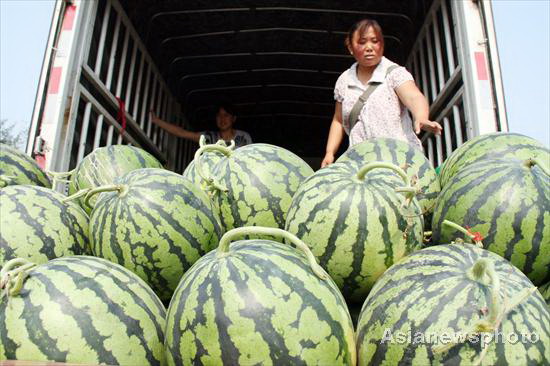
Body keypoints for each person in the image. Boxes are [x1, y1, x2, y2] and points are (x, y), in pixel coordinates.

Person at [321, 19, 442, 168]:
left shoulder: (394, 73)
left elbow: (413, 96)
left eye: (375, 41)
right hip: (362, 165)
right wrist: (329, 152)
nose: (369, 47)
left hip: (401, 161)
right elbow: (338, 121)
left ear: (382, 45)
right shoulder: (344, 81)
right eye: (362, 42)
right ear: (350, 47)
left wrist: (422, 117)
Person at [150, 104, 252, 148]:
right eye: (219, 115)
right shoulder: (208, 137)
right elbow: (182, 133)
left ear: (233, 118)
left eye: (226, 115)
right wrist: (157, 121)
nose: (222, 119)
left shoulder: (244, 137)